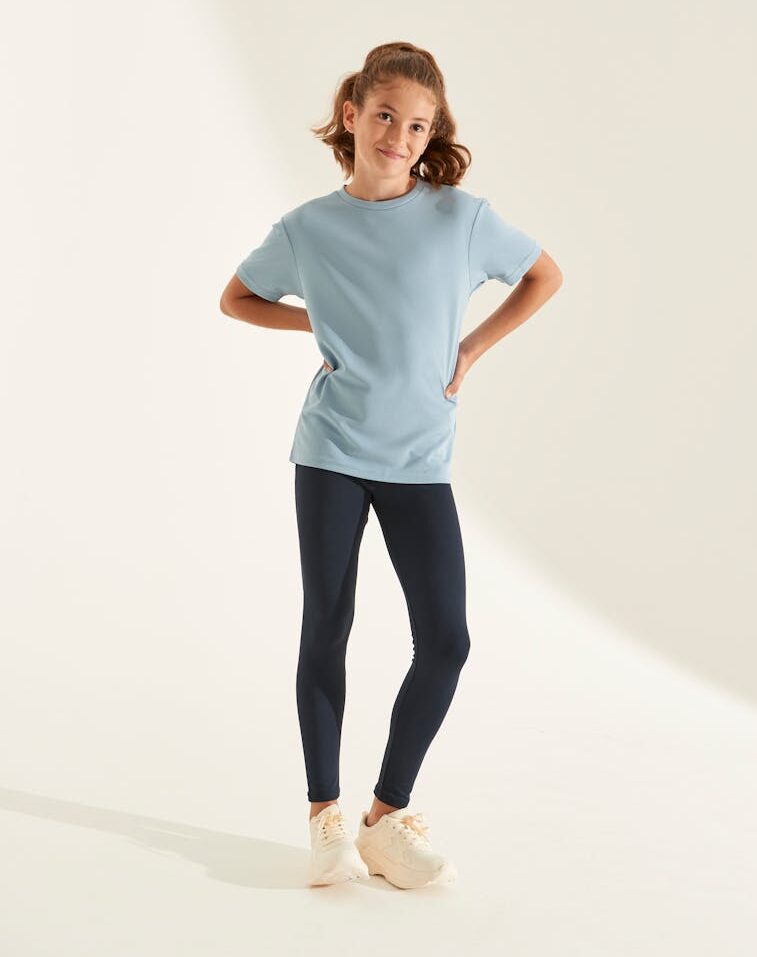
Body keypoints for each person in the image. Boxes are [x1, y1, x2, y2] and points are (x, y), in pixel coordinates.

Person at [220, 41, 563, 890]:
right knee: (326, 625)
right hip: (331, 451)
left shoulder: (461, 218)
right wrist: (320, 324)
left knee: (445, 640)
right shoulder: (307, 228)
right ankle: (324, 820)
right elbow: (237, 297)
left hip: (418, 459)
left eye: (416, 126)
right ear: (351, 115)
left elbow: (542, 275)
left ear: (430, 133)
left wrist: (471, 349)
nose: (398, 137)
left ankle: (384, 818)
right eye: (384, 117)